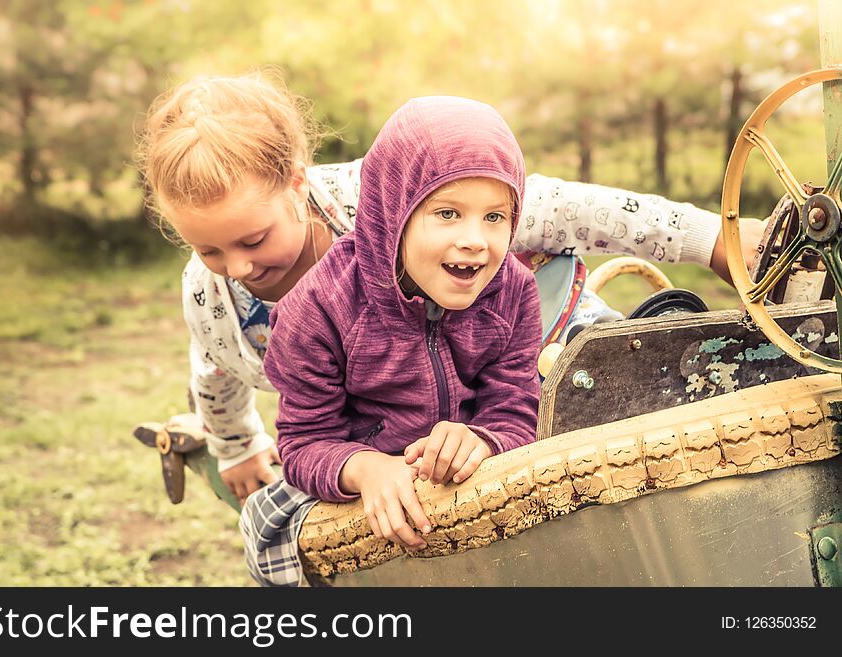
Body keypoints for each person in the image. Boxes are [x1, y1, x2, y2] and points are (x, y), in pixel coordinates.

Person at [137, 72, 763, 506]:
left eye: (251, 240)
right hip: (385, 432)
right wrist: (237, 445)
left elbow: (570, 207)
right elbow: (214, 368)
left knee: (603, 381)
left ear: (298, 185)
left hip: (518, 340)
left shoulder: (396, 187)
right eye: (208, 248)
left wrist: (714, 241)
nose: (237, 266)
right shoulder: (212, 295)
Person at [264, 95, 540, 550]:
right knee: (272, 534)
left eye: (494, 217)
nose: (475, 240)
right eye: (447, 214)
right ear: (394, 213)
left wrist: (482, 440)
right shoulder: (318, 309)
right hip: (356, 492)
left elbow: (515, 412)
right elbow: (303, 443)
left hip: (474, 487)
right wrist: (368, 469)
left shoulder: (513, 292)